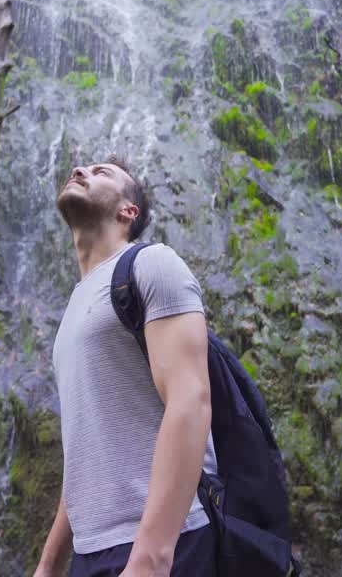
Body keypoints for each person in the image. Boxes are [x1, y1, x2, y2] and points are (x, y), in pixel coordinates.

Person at [33, 158, 219, 577]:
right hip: (91, 551)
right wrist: (48, 566)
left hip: (167, 544)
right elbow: (88, 453)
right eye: (83, 168)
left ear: (127, 212)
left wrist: (151, 558)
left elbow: (190, 401)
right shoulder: (75, 309)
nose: (80, 169)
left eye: (102, 173)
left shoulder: (151, 264)